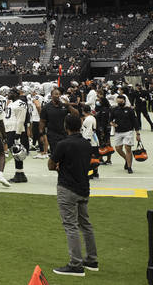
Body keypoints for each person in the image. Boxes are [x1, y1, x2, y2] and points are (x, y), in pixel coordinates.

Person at [49, 115, 99, 276]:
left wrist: (58, 166)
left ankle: (75, 264)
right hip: (84, 187)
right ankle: (92, 260)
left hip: (67, 187)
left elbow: (51, 164)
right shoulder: (86, 144)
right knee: (85, 224)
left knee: (70, 225)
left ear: (66, 127)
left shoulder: (63, 144)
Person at [110, 93, 141, 174]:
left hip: (128, 132)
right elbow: (110, 120)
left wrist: (138, 134)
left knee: (128, 148)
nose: (119, 103)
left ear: (124, 101)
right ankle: (126, 160)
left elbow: (135, 122)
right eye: (118, 102)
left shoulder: (130, 110)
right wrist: (113, 124)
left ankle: (129, 167)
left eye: (121, 101)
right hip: (118, 132)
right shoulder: (114, 110)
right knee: (118, 149)